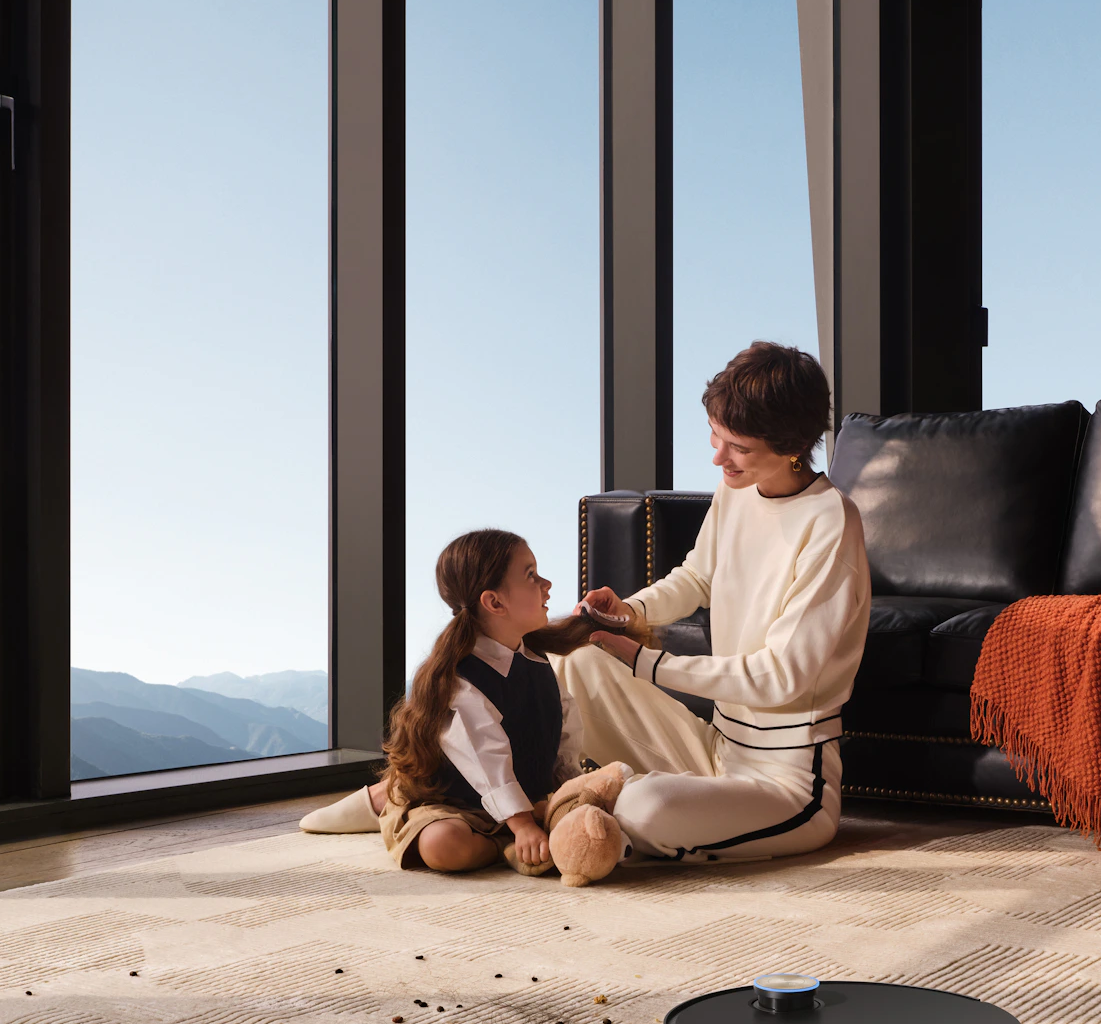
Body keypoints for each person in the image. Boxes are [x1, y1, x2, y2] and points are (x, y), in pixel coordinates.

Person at [563, 341, 869, 862]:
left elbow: (781, 676)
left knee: (643, 807)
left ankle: (597, 809)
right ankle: (543, 803)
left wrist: (646, 662)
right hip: (716, 749)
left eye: (738, 447)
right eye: (715, 435)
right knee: (574, 662)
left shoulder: (830, 523)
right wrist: (630, 613)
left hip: (788, 784)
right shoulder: (737, 489)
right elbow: (698, 576)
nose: (718, 457)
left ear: (793, 445)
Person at [300, 530, 599, 873]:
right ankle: (491, 841)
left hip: (522, 800)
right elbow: (486, 757)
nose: (546, 584)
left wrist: (569, 793)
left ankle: (514, 835)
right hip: (457, 803)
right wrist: (523, 826)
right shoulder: (463, 680)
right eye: (531, 575)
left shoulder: (538, 662)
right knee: (442, 845)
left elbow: (563, 733)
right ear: (494, 603)